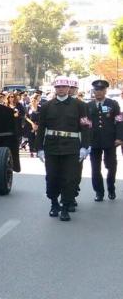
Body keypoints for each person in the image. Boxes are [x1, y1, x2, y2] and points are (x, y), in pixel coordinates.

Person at [35, 76, 92, 221]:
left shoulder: (79, 105)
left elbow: (86, 127)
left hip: (72, 147)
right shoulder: (47, 106)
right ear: (55, 88)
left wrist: (85, 147)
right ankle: (54, 204)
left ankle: (65, 207)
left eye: (63, 87)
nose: (60, 89)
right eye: (58, 87)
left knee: (70, 178)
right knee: (52, 177)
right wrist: (39, 148)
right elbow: (41, 129)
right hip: (52, 147)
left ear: (69, 88)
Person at [87, 79, 123, 201]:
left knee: (111, 166)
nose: (98, 92)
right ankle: (99, 192)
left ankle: (111, 187)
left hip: (110, 140)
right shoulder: (88, 106)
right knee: (95, 168)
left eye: (101, 90)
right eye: (96, 90)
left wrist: (119, 137)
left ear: (105, 91)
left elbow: (119, 121)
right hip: (94, 141)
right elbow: (85, 124)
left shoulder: (113, 104)